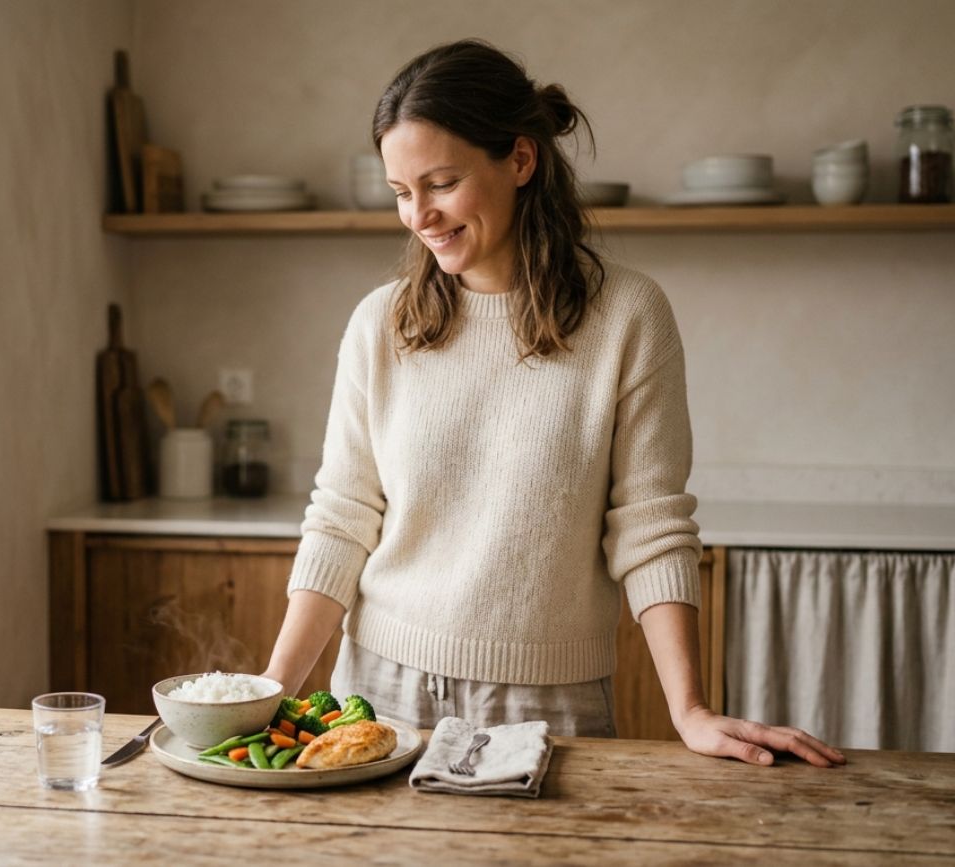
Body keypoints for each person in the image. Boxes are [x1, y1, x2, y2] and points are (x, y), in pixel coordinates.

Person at [260, 39, 845, 768]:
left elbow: (651, 523)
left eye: (440, 183)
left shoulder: (629, 316)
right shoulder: (381, 324)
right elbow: (343, 516)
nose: (419, 215)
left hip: (547, 705)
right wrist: (269, 691)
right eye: (401, 192)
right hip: (379, 692)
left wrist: (688, 709)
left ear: (521, 160)